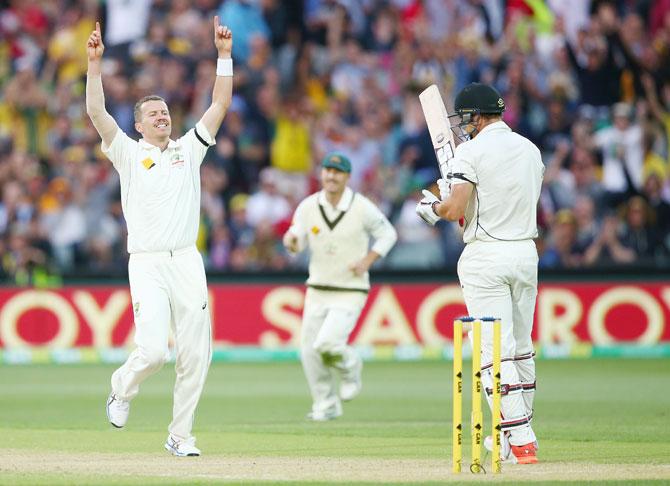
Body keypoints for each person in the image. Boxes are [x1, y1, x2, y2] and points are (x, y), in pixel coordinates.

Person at [85, 18, 233, 456]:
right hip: (147, 262)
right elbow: (97, 113)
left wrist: (223, 56)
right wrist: (95, 65)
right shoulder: (127, 153)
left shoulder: (190, 148)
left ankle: (180, 435)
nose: (162, 115)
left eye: (165, 110)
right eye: (152, 113)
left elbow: (220, 104)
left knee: (195, 355)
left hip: (187, 260)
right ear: (139, 125)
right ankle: (121, 388)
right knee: (152, 352)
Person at [416, 83, 543, 464]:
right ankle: (508, 439)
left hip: (486, 257)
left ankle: (522, 440)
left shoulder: (470, 152)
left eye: (465, 119)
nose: (461, 127)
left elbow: (455, 208)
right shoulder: (530, 149)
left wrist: (432, 207)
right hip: (525, 252)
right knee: (521, 348)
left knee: (492, 354)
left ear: (475, 116)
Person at [283, 153, 397, 421]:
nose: (331, 176)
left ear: (347, 177)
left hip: (350, 289)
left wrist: (368, 260)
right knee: (309, 350)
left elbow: (388, 234)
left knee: (327, 343)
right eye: (328, 171)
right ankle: (325, 403)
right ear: (321, 174)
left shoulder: (361, 207)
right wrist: (291, 242)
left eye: (338, 172)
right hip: (318, 288)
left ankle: (350, 365)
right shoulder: (309, 206)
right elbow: (297, 239)